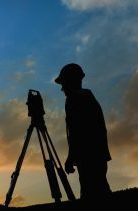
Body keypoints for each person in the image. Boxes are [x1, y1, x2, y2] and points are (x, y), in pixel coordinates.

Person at [54, 63, 112, 200]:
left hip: (88, 157)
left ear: (71, 81)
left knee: (92, 194)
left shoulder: (74, 100)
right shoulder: (87, 96)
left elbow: (77, 132)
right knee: (101, 190)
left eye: (63, 83)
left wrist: (70, 157)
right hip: (97, 155)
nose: (62, 88)